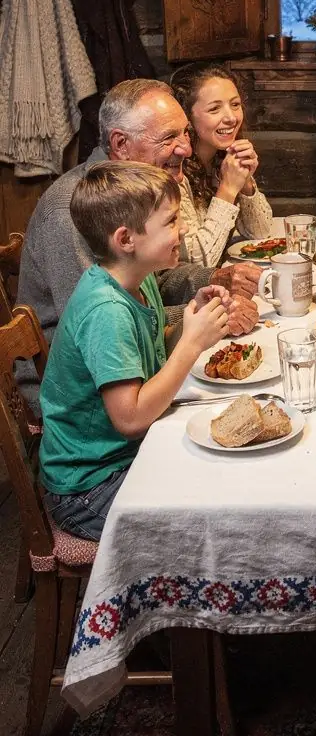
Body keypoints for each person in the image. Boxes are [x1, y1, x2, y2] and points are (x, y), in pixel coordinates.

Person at [18, 79, 261, 412]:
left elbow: (151, 282)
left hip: (132, 369)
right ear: (121, 143)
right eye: (169, 137)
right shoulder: (73, 210)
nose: (186, 150)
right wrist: (197, 321)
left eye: (185, 133)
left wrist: (212, 280)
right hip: (79, 406)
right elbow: (105, 327)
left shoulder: (137, 192)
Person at [38, 162, 231, 541]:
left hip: (125, 457)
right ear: (126, 240)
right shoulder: (106, 311)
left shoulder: (138, 282)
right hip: (89, 486)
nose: (184, 229)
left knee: (224, 470)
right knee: (214, 511)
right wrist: (191, 345)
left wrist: (193, 322)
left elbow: (152, 353)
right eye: (171, 222)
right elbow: (130, 417)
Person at [171, 63, 275, 267]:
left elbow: (260, 232)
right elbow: (197, 263)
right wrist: (228, 189)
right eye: (214, 109)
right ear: (187, 117)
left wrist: (245, 185)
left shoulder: (224, 157)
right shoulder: (175, 171)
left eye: (235, 105)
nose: (231, 118)